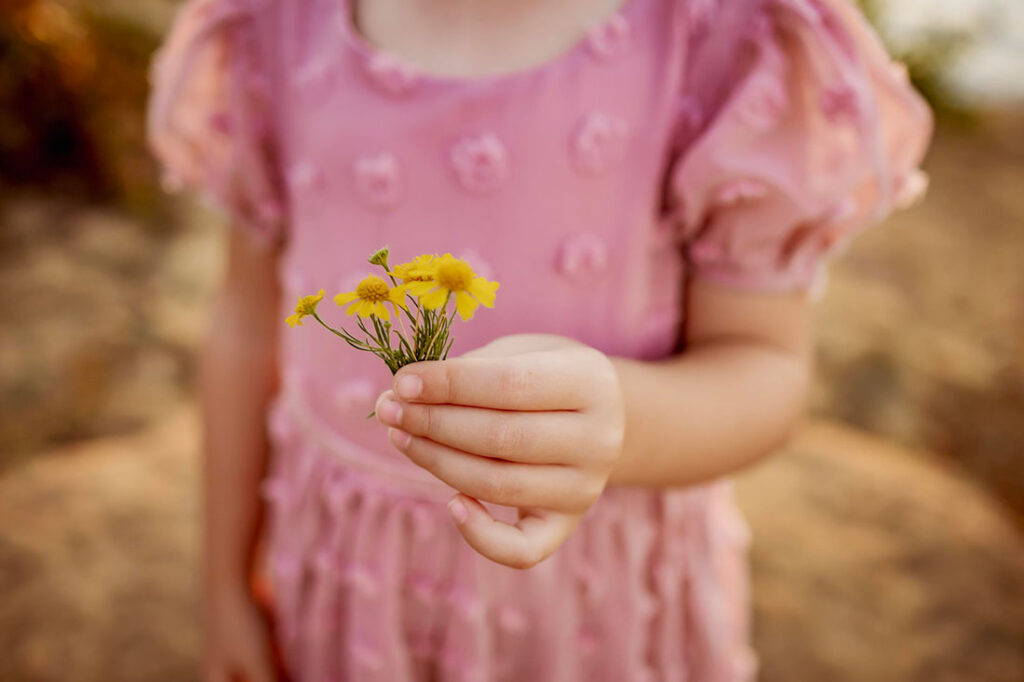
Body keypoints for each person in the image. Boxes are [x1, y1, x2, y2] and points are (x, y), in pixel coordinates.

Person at [147, 0, 932, 680]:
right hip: (345, 580)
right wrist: (222, 586)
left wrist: (621, 418)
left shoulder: (723, 32)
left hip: (589, 605)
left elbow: (767, 367)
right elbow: (246, 322)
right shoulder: (278, 23)